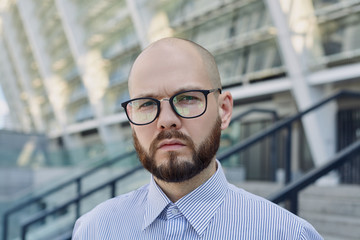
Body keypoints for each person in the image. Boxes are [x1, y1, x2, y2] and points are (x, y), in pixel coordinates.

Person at [72, 37, 323, 239]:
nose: (166, 120)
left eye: (187, 98)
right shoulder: (94, 230)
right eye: (146, 104)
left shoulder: (286, 234)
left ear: (224, 110)